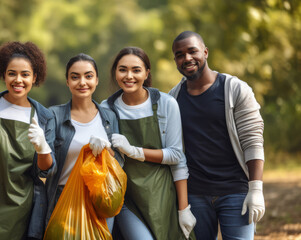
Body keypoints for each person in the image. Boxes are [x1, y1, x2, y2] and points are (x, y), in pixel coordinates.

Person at [169, 31, 265, 239]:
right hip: (195, 195)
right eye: (179, 54)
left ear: (205, 52)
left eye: (192, 51)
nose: (187, 58)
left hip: (235, 192)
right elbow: (173, 150)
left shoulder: (235, 89)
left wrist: (255, 189)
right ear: (175, 60)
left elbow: (253, 140)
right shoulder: (172, 99)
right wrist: (183, 205)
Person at [102, 46, 196, 239]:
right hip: (128, 199)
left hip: (163, 196)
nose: (129, 76)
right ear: (115, 73)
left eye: (136, 70)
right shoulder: (106, 109)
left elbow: (177, 156)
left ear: (146, 73)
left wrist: (183, 208)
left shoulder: (165, 103)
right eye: (122, 70)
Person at [0, 41, 56, 240]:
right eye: (12, 73)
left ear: (35, 77)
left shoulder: (44, 117)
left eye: (25, 74)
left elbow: (46, 170)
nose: (18, 80)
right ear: (3, 74)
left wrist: (43, 148)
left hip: (21, 211)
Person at [45, 53, 123, 233]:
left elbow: (117, 163)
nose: (82, 82)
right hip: (65, 200)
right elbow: (45, 168)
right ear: (67, 82)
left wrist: (106, 149)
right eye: (75, 77)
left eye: (88, 76)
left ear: (96, 80)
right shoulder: (54, 115)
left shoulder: (109, 116)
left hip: (100, 200)